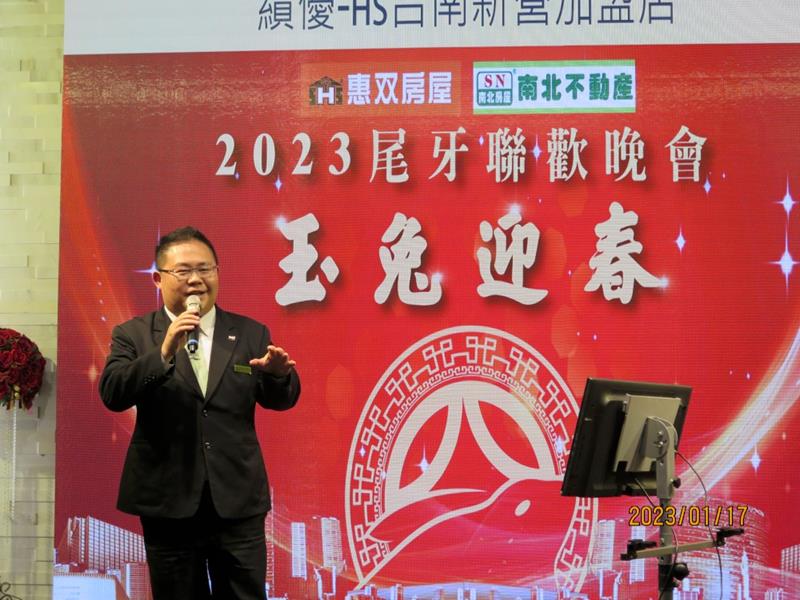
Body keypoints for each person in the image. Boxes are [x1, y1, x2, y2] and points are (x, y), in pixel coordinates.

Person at [99, 226, 300, 600]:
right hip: (168, 502)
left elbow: (281, 399)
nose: (196, 279)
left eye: (205, 269)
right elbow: (112, 392)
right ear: (158, 279)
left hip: (237, 502)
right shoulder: (134, 334)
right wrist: (164, 352)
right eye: (183, 271)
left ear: (217, 273)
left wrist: (278, 376)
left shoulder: (250, 333)